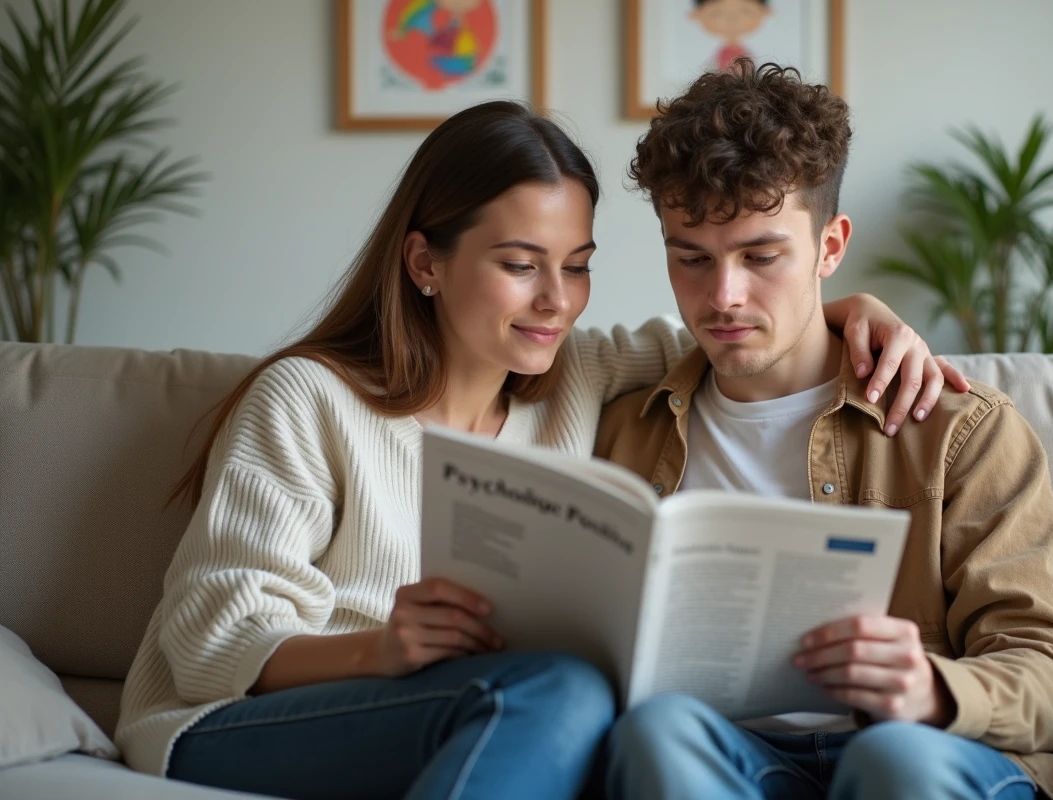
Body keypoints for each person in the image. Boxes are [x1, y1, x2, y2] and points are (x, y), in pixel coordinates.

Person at [114, 99, 964, 800]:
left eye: (578, 266)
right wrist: (379, 650)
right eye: (521, 265)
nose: (557, 302)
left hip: (474, 719)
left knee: (579, 703)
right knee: (560, 691)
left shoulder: (580, 374)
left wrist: (857, 314)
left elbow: (738, 330)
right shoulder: (310, 398)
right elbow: (205, 640)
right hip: (239, 725)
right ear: (425, 264)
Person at [595, 62, 1053, 800]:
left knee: (893, 759)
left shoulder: (962, 431)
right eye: (691, 258)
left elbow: (1050, 673)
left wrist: (932, 690)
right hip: (734, 759)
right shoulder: (623, 433)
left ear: (830, 248)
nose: (723, 296)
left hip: (923, 752)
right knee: (655, 732)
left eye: (761, 256)